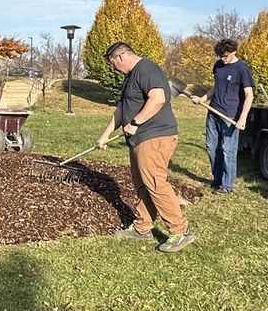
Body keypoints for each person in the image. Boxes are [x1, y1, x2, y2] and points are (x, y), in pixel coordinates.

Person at [95, 42, 194, 253]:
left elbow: (158, 98)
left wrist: (136, 122)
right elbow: (121, 110)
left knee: (156, 183)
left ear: (120, 57)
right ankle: (143, 227)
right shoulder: (130, 78)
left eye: (112, 64)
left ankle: (180, 231)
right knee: (142, 184)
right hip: (139, 139)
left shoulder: (147, 69)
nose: (113, 68)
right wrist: (104, 136)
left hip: (155, 135)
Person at [191, 38, 254, 195]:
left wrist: (243, 117)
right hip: (213, 112)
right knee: (212, 148)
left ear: (233, 52)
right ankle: (217, 179)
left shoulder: (242, 68)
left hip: (230, 116)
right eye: (220, 56)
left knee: (227, 150)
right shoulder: (218, 65)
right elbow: (216, 86)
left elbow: (249, 95)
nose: (222, 59)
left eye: (225, 56)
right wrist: (203, 98)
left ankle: (227, 185)